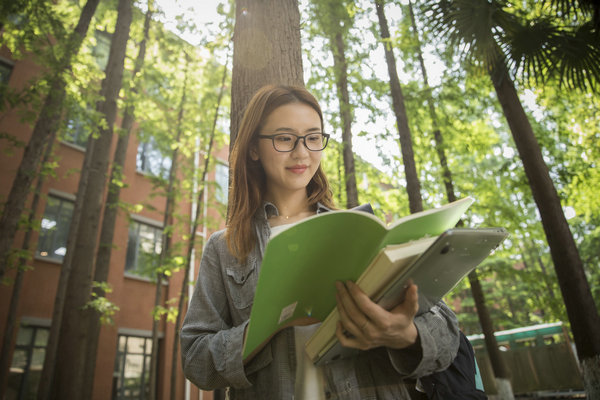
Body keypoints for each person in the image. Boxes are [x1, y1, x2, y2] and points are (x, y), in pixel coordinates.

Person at [180, 85, 460, 399]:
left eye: (313, 137)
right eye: (284, 138)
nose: (302, 153)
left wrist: (405, 334)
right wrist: (268, 325)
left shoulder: (359, 229)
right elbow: (195, 359)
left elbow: (448, 334)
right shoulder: (225, 248)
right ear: (254, 149)